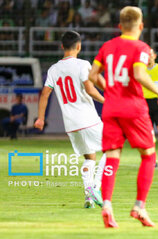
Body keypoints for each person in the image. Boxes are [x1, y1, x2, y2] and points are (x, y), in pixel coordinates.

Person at [88, 6, 158, 228]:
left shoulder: (107, 46)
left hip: (111, 108)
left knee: (112, 156)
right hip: (134, 107)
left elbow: (93, 76)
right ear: (141, 26)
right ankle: (139, 206)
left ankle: (106, 205)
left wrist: (109, 89)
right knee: (149, 155)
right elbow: (140, 74)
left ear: (119, 26)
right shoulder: (141, 47)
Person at [34, 30, 106, 209]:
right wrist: (107, 100)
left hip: (71, 124)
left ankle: (88, 195)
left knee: (90, 157)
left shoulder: (53, 69)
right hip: (88, 118)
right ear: (79, 46)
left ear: (62, 47)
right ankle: (96, 187)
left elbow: (45, 93)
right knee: (112, 148)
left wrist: (40, 118)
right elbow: (89, 89)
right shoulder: (83, 64)